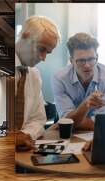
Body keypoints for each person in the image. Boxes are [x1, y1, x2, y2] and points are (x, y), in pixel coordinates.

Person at [52, 33, 105, 130]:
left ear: (97, 57)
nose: (87, 65)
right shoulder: (60, 78)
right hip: (68, 133)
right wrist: (85, 104)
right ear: (71, 61)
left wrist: (69, 122)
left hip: (98, 132)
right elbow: (67, 121)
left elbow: (102, 121)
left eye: (91, 59)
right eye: (81, 61)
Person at [15, 15, 60, 151]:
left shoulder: (34, 74)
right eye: (41, 49)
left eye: (48, 52)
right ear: (24, 36)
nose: (43, 58)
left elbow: (38, 120)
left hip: (23, 149)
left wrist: (24, 135)